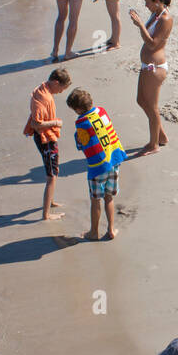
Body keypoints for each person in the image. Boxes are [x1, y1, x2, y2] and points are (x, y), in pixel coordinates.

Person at [65, 87, 127, 240]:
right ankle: (111, 230)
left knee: (95, 200)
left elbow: (83, 145)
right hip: (113, 160)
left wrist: (77, 137)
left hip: (98, 167)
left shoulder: (81, 124)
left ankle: (94, 232)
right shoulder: (101, 111)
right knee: (109, 198)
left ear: (78, 109)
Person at [23, 66, 71, 220]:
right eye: (62, 88)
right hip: (45, 139)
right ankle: (46, 214)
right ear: (56, 82)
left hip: (44, 138)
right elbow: (37, 124)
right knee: (52, 175)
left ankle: (50, 201)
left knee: (54, 172)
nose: (62, 92)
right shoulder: (43, 97)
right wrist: (56, 122)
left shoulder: (42, 89)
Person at [129, 0, 172, 154]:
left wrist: (140, 25)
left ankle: (154, 144)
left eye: (147, 2)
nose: (146, 5)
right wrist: (140, 23)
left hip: (156, 67)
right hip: (147, 65)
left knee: (153, 106)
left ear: (157, 1)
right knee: (141, 100)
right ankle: (160, 135)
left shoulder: (165, 19)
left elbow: (153, 44)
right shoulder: (156, 14)